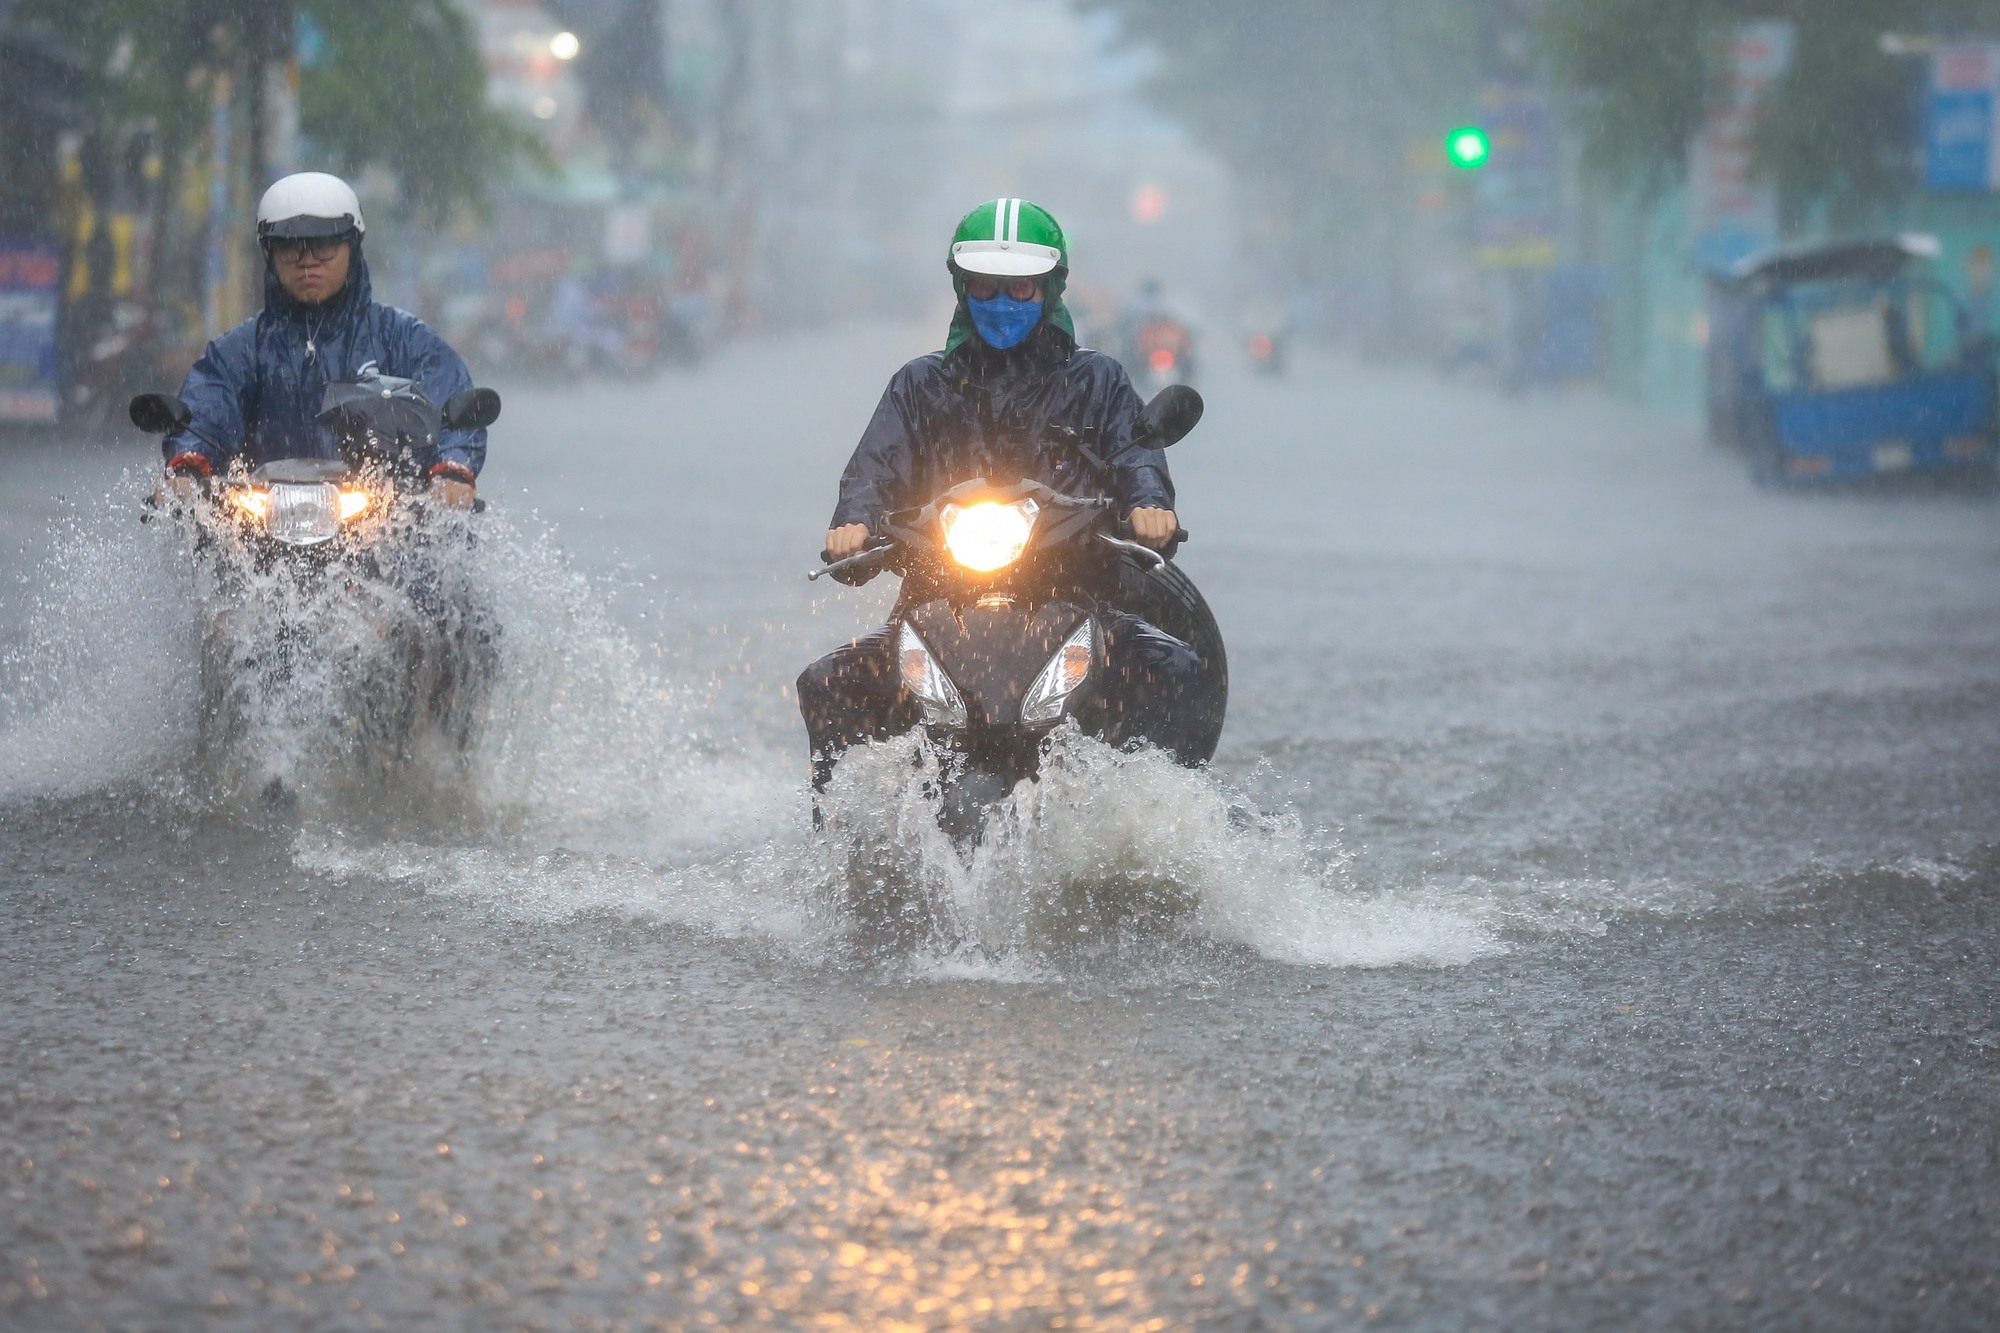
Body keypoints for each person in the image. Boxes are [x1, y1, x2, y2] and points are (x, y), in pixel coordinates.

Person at [797, 197, 1205, 791]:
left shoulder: (1097, 380)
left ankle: (1166, 824)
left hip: (1076, 593)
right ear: (962, 288)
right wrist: (852, 522)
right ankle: (842, 844)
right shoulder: (920, 384)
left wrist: (1149, 507)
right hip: (937, 598)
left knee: (1175, 670)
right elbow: (873, 470)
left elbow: (1136, 455)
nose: (1002, 303)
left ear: (1051, 290)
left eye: (1021, 290)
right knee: (827, 683)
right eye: (986, 286)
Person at [157, 172, 485, 507]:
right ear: (270, 255)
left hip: (385, 527)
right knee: (202, 548)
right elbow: (206, 408)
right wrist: (186, 466)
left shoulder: (405, 339)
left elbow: (449, 404)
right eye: (290, 249)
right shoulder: (237, 351)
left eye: (324, 247)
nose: (308, 261)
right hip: (258, 527)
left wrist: (452, 472)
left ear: (352, 248)